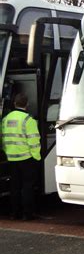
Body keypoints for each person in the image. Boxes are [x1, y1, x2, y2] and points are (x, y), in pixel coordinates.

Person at [1, 92, 41, 220]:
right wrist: (36, 157)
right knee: (27, 186)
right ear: (27, 104)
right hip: (27, 158)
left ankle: (14, 213)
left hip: (11, 157)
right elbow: (34, 141)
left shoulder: (5, 119)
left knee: (15, 186)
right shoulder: (29, 120)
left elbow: (3, 139)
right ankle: (27, 214)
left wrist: (7, 151)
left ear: (14, 103)